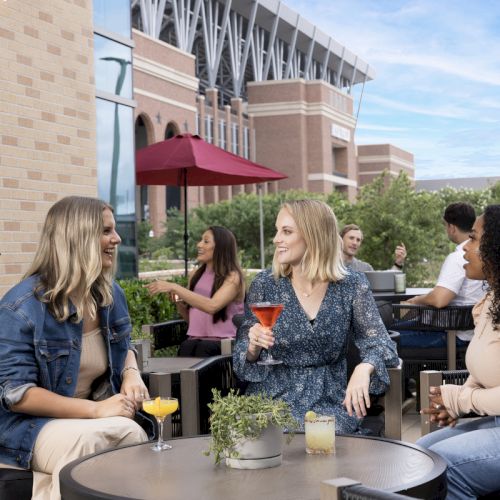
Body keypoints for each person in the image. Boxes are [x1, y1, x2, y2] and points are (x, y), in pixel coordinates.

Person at [0, 196, 150, 500]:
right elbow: (15, 393)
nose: (117, 239)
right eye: (106, 231)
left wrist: (131, 372)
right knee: (86, 446)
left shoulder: (109, 295)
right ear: (77, 238)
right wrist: (96, 410)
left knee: (134, 433)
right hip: (28, 426)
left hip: (85, 418)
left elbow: (123, 347)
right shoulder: (22, 307)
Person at [233, 200, 399, 432]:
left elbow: (383, 345)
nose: (276, 239)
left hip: (329, 401)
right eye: (277, 230)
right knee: (267, 436)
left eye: (287, 231)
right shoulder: (265, 284)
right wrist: (252, 348)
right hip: (271, 399)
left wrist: (365, 367)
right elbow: (241, 358)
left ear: (314, 236)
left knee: (322, 440)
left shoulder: (351, 285)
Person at [417, 204, 500, 499]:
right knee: (418, 454)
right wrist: (456, 404)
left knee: (441, 466)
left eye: (474, 238)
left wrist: (460, 398)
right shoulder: (492, 302)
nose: (466, 247)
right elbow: (487, 370)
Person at [146, 226, 245, 357]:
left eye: (206, 241)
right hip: (195, 340)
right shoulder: (196, 275)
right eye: (200, 240)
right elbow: (191, 320)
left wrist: (175, 287)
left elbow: (212, 306)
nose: (199, 244)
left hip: (225, 344)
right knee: (186, 347)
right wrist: (179, 302)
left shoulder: (233, 277)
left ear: (221, 247)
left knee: (204, 349)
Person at [398, 202, 485, 348]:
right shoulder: (485, 256)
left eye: (445, 226)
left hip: (454, 337)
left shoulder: (458, 257)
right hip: (476, 334)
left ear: (451, 227)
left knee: (388, 335)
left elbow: (439, 299)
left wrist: (416, 301)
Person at [340, 224, 406, 272]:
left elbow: (383, 281)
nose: (355, 243)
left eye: (358, 240)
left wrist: (398, 263)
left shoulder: (365, 268)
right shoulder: (330, 265)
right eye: (351, 238)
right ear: (340, 240)